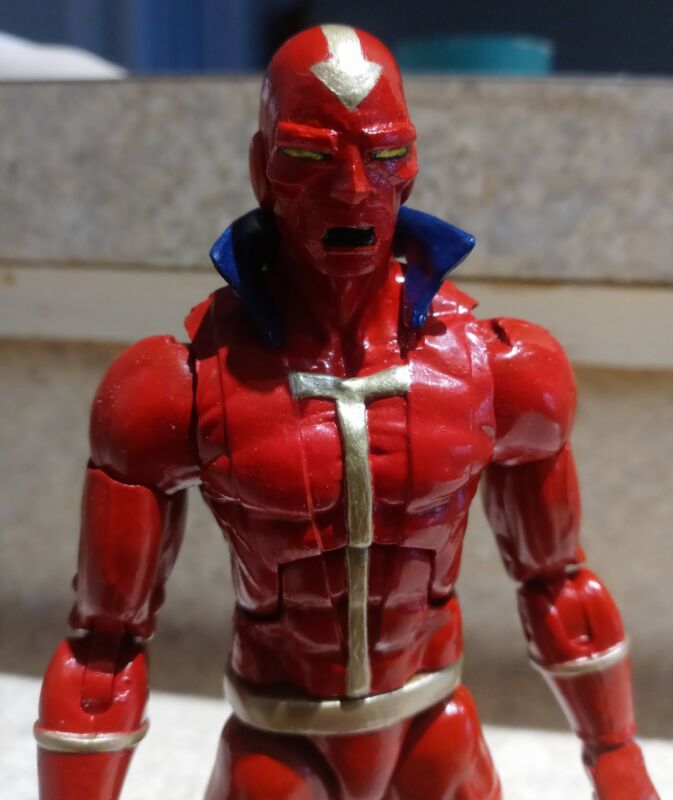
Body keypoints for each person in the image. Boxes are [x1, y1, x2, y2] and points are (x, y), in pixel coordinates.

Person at [36, 25, 658, 799]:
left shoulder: (503, 372)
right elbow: (103, 648)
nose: (353, 188)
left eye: (384, 153)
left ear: (412, 167)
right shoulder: (174, 387)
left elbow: (558, 583)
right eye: (309, 157)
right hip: (277, 743)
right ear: (262, 169)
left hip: (435, 730)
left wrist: (616, 756)